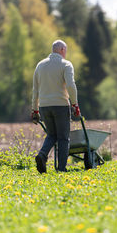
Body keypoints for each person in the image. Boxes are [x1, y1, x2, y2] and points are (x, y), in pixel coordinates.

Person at [31, 39, 80, 173]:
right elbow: (70, 85)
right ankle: (61, 169)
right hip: (60, 105)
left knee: (51, 134)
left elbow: (35, 90)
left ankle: (42, 155)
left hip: (44, 106)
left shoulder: (39, 65)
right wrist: (75, 104)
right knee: (63, 137)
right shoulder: (66, 65)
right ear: (62, 50)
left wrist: (34, 110)